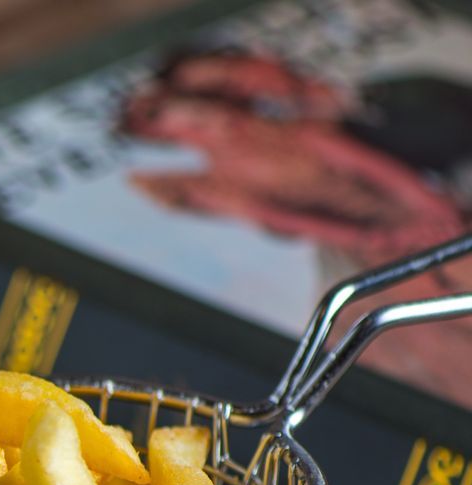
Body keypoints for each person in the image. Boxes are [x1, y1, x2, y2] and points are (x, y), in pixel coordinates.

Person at [118, 46, 472, 407]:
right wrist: (378, 239)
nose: (212, 122)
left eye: (206, 109)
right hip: (370, 245)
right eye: (191, 123)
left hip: (415, 217)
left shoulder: (300, 131)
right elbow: (286, 220)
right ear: (167, 137)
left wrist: (433, 211)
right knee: (397, 327)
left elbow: (381, 171)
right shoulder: (219, 183)